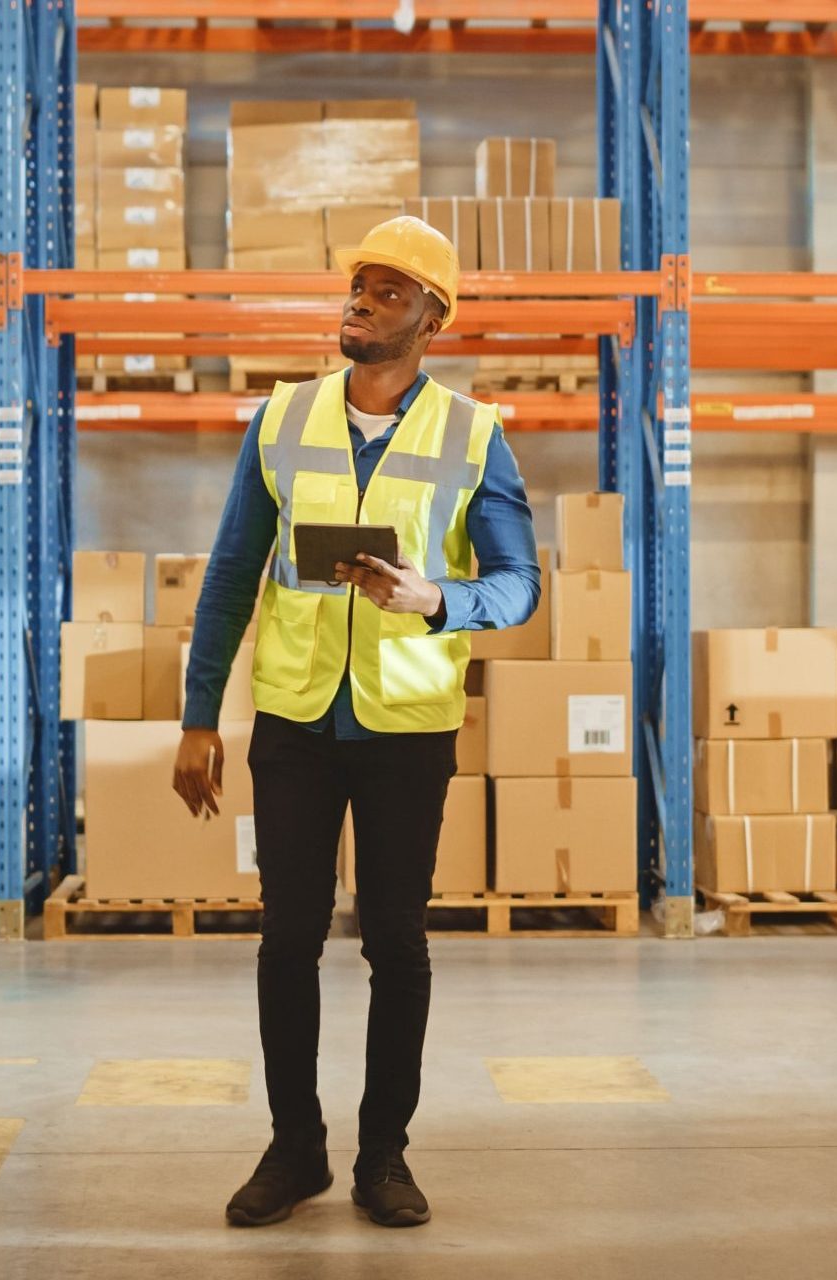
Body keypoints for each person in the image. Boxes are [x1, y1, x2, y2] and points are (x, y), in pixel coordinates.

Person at [170, 216, 540, 1229]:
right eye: (358, 287)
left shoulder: (472, 435)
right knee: (286, 937)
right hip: (294, 719)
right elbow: (231, 573)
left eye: (387, 292)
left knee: (396, 942)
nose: (361, 303)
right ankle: (296, 1147)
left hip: (405, 729)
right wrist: (199, 715)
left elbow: (519, 585)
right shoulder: (283, 419)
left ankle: (384, 1154)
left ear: (431, 319)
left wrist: (438, 598)